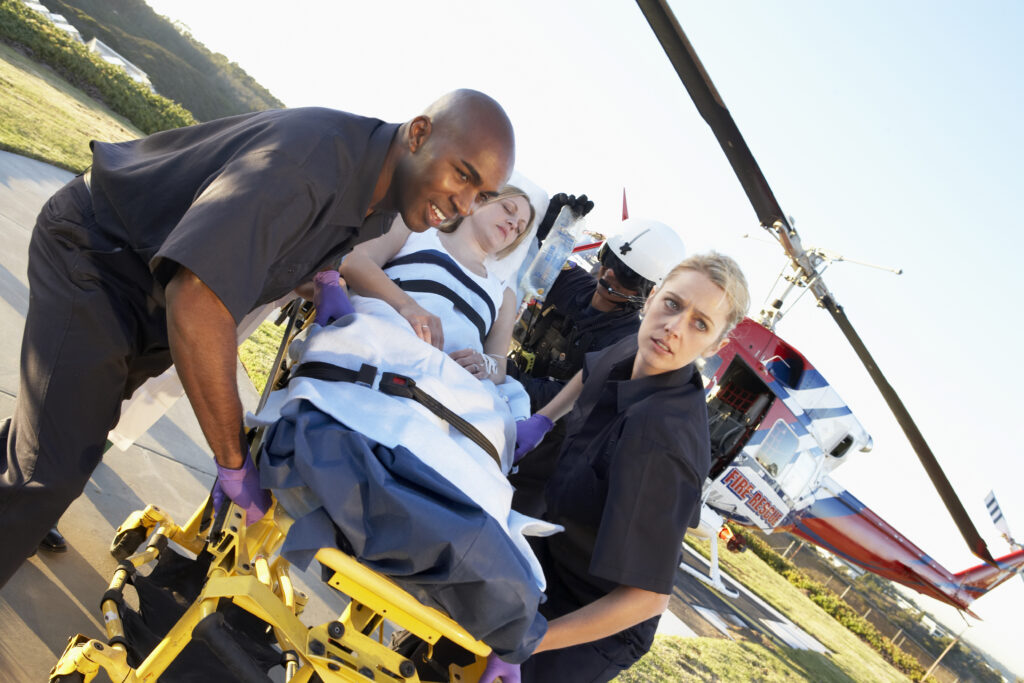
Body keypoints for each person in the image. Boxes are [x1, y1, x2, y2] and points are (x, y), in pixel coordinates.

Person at [0, 89, 516, 588]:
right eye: (463, 175)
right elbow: (198, 299)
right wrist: (234, 463)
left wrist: (322, 282)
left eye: (484, 195)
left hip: (145, 284)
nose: (467, 205)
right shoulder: (311, 164)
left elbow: (284, 248)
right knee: (49, 471)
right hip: (98, 255)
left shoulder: (380, 197)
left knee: (65, 431)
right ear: (420, 134)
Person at [250, 184, 558, 662]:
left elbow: (500, 364)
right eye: (508, 209)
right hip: (391, 334)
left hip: (453, 380)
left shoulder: (504, 295)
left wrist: (484, 363)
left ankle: (420, 499)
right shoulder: (418, 232)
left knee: (478, 423)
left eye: (519, 227)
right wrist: (408, 306)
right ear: (478, 201)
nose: (511, 224)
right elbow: (354, 260)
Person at [484, 252, 751, 683]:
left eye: (700, 324)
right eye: (672, 304)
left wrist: (529, 645)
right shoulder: (641, 344)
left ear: (715, 346)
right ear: (651, 299)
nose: (675, 327)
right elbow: (593, 372)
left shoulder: (664, 444)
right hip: (551, 556)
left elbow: (645, 599)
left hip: (594, 619)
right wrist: (544, 418)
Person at [508, 217, 687, 516]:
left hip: (542, 456)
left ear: (648, 292)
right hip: (503, 397)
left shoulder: (630, 344)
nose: (610, 274)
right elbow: (524, 258)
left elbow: (576, 400)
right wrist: (545, 227)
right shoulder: (572, 282)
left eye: (628, 275)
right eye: (609, 258)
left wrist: (508, 376)